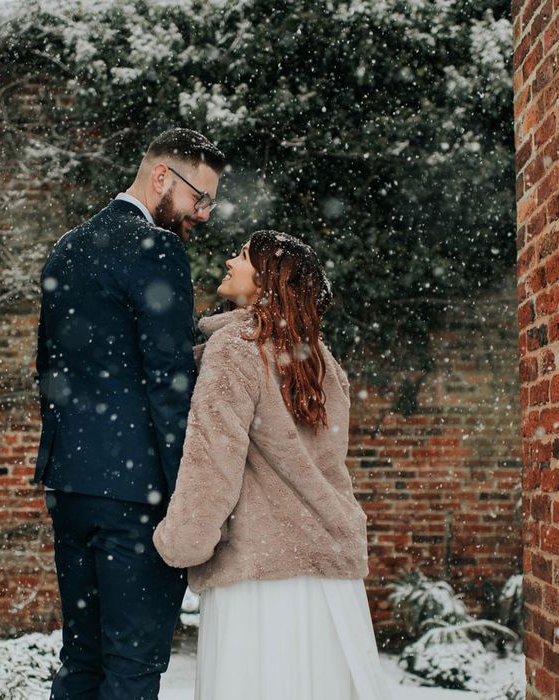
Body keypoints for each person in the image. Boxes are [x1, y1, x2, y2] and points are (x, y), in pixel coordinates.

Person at [153, 230, 392, 699]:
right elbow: (324, 461)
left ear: (266, 281)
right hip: (326, 570)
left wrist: (179, 543)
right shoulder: (322, 360)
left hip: (258, 573)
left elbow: (212, 462)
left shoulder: (237, 348)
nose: (228, 260)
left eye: (241, 255)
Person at [34, 128, 226, 699]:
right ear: (163, 177)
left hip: (72, 486)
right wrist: (190, 495)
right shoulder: (157, 249)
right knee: (133, 667)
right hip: (136, 495)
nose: (205, 214)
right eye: (201, 198)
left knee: (82, 660)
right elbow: (169, 383)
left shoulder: (67, 245)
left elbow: (48, 367)